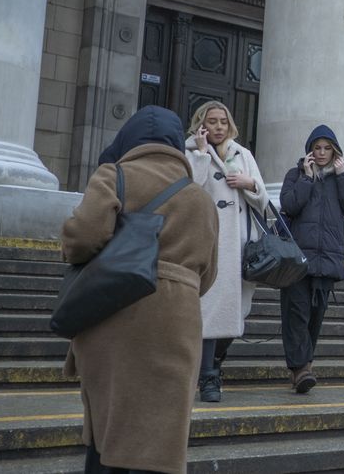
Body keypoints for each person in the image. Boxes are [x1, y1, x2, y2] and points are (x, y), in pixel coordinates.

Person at [60, 105, 218, 473]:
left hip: (111, 312)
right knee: (160, 434)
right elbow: (207, 276)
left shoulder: (114, 176)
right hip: (176, 322)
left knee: (108, 428)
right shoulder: (200, 198)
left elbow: (82, 238)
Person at [186, 100, 271, 402]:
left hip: (241, 246)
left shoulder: (242, 154)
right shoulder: (192, 152)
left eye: (223, 121)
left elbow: (263, 201)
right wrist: (198, 153)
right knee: (210, 310)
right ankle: (208, 378)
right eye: (212, 121)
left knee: (235, 314)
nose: (219, 127)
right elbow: (189, 191)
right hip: (210, 243)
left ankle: (214, 363)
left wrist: (249, 183)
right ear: (201, 123)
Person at [278, 124, 344, 393]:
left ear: (335, 151)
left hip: (327, 260)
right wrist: (306, 177)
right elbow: (289, 205)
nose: (322, 152)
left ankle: (303, 367)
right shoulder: (295, 175)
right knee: (296, 315)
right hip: (297, 258)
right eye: (318, 147)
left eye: (327, 148)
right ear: (310, 151)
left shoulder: (343, 177)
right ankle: (301, 369)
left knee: (315, 316)